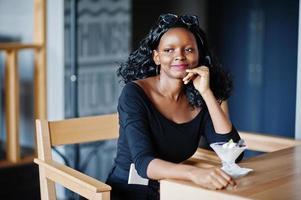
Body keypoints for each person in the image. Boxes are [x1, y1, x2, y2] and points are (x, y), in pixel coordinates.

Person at [106, 13, 243, 200]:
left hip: (174, 190)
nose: (179, 56)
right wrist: (195, 174)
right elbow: (144, 163)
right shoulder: (134, 94)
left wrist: (207, 93)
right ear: (156, 57)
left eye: (188, 50)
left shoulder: (198, 97)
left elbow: (233, 153)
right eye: (169, 50)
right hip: (128, 192)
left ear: (199, 56)